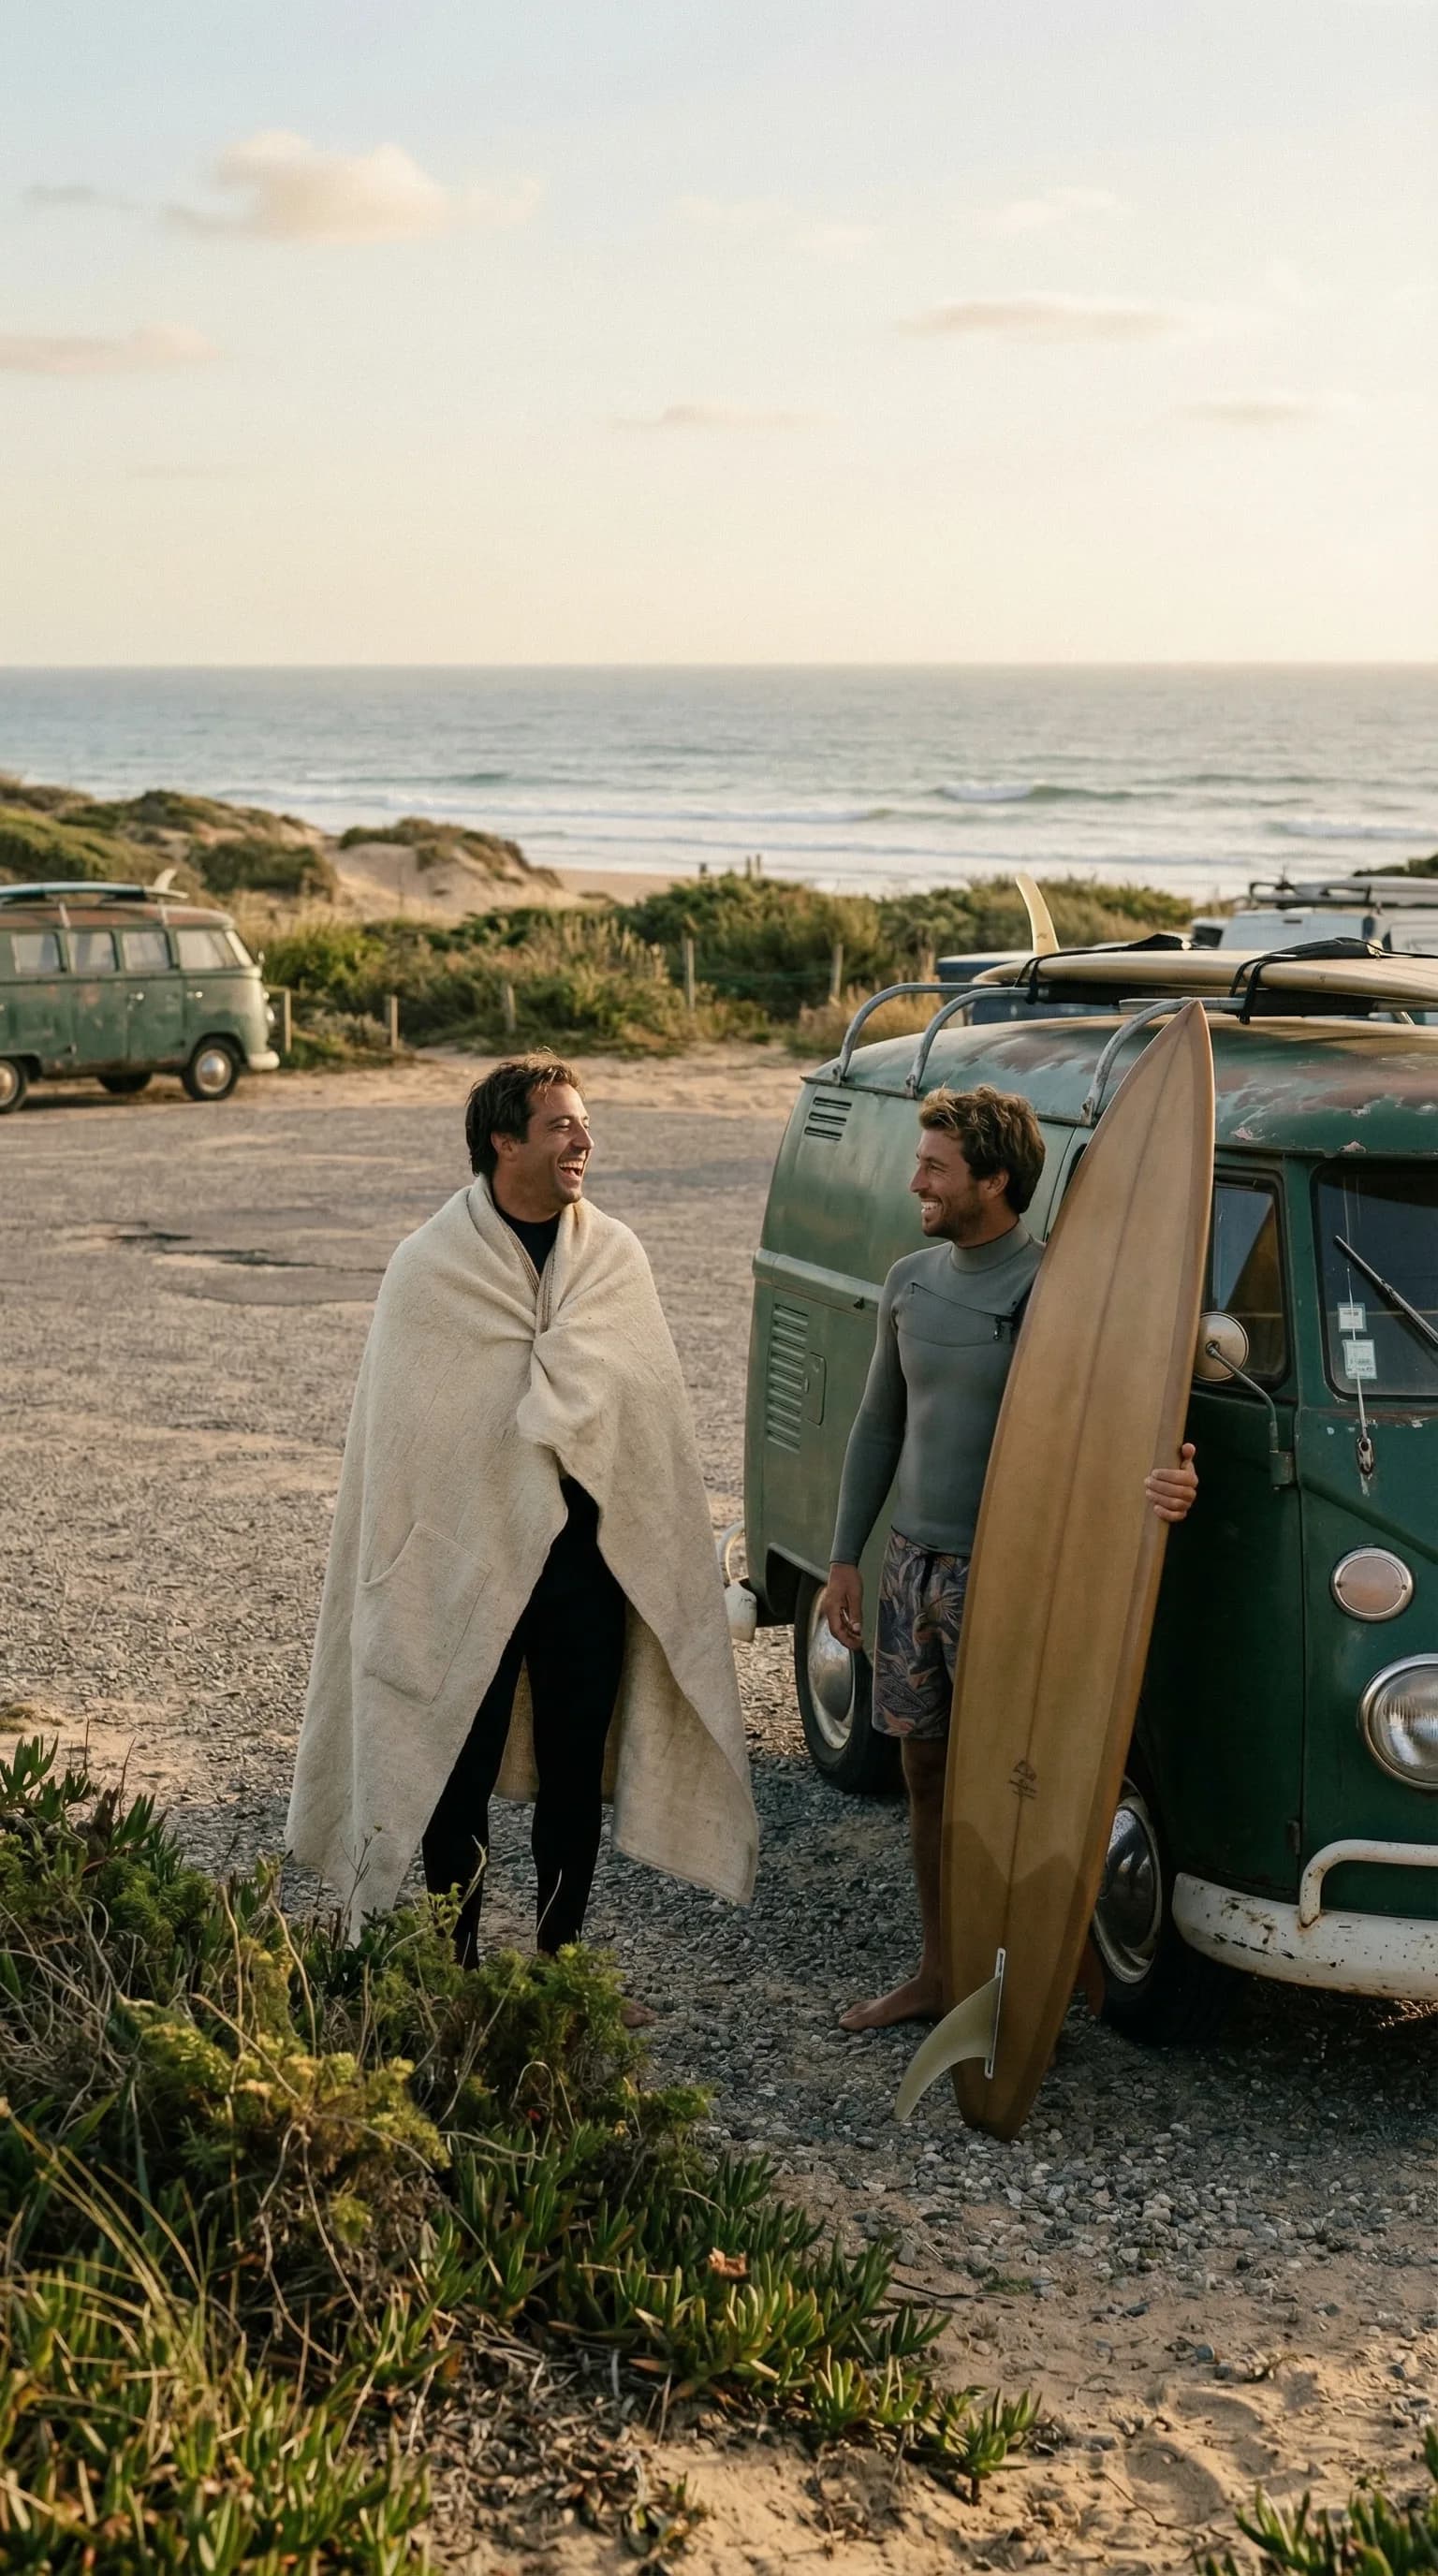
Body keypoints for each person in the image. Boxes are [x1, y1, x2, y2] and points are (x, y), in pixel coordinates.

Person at [287, 1053, 757, 1974]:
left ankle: (558, 1962)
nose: (583, 1140)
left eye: (583, 1124)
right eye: (560, 1126)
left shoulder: (613, 1257)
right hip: (460, 1559)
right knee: (449, 1765)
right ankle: (448, 1964)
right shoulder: (430, 1267)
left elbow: (648, 1418)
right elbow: (407, 1443)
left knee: (574, 1773)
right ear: (506, 1141)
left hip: (583, 1566)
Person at [824, 1084, 1196, 2034]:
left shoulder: (1054, 1291)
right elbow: (879, 1425)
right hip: (914, 1564)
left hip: (1016, 1574)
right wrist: (845, 1558)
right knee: (924, 1774)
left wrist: (1173, 1477)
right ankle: (942, 1971)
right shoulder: (910, 1280)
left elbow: (1123, 1423)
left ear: (993, 1179)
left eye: (936, 1166)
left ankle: (1042, 1963)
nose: (917, 1179)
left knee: (1024, 1773)